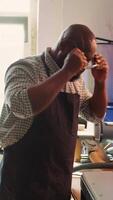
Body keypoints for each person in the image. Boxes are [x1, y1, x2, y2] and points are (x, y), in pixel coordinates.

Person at [0, 24, 108, 200]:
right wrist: (66, 71)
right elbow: (21, 106)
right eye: (82, 61)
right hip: (21, 182)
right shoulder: (25, 68)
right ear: (65, 47)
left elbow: (94, 115)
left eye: (87, 62)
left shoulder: (75, 80)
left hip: (58, 183)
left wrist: (101, 83)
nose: (83, 68)